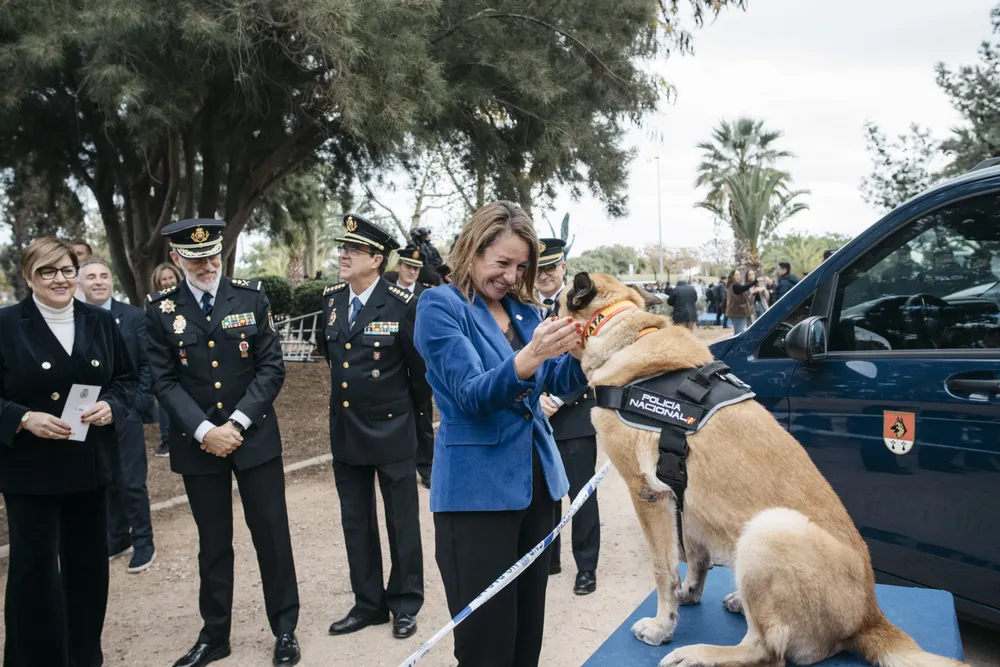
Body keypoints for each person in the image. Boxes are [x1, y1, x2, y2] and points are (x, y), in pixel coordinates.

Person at [414, 201, 587, 667]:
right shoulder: (440, 307)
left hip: (536, 490)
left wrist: (586, 347)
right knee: (485, 645)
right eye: (503, 263)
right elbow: (472, 394)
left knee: (525, 636)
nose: (512, 276)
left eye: (522, 267)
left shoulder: (525, 311)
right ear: (471, 251)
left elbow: (562, 382)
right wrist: (529, 358)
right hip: (475, 497)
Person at [145, 219, 301, 667]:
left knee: (271, 535)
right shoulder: (160, 311)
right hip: (199, 445)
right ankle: (216, 635)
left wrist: (235, 422)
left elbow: (271, 366)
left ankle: (285, 629)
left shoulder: (251, 298)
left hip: (252, 437)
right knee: (213, 543)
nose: (208, 264)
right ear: (177, 259)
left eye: (213, 255)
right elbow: (163, 380)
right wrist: (204, 431)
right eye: (196, 258)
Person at [0, 237, 136, 667]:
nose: (59, 279)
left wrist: (112, 406)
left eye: (66, 269)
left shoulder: (101, 322)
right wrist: (23, 418)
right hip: (30, 472)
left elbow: (129, 383)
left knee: (87, 572)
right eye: (47, 271)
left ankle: (83, 658)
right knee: (33, 573)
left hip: (88, 468)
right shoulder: (5, 325)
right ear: (28, 277)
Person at [322, 215, 431, 640]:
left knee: (401, 520)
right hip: (346, 430)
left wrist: (405, 417)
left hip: (392, 430)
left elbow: (420, 377)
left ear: (376, 259)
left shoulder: (403, 304)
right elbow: (334, 360)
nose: (343, 255)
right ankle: (368, 604)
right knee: (356, 520)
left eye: (352, 250)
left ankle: (405, 603)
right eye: (342, 248)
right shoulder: (333, 301)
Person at [79, 259, 157, 573]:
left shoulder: (134, 316)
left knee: (132, 480)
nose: (98, 282)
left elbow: (148, 364)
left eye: (103, 276)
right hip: (89, 411)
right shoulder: (76, 319)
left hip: (125, 408)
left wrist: (139, 402)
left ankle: (143, 542)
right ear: (81, 284)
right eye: (91, 277)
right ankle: (117, 537)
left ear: (111, 281)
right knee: (106, 477)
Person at [535, 237, 601, 595]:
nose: (544, 276)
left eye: (550, 268)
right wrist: (539, 399)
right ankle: (550, 558)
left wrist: (558, 397)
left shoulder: (581, 305)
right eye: (539, 269)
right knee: (545, 495)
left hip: (574, 415)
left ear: (563, 267)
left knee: (580, 495)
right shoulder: (523, 305)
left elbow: (591, 356)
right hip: (537, 415)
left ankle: (586, 567)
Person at [395, 245, 435, 488]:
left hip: (420, 366)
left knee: (423, 419)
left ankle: (427, 467)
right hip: (394, 365)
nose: (411, 272)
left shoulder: (427, 295)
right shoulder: (386, 293)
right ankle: (401, 465)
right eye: (408, 266)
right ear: (398, 265)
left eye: (416, 268)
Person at [150, 262, 184, 457]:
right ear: (158, 282)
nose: (168, 281)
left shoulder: (187, 300)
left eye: (171, 277)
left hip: (186, 358)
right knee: (164, 401)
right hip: (165, 359)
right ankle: (166, 441)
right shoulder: (154, 304)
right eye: (164, 279)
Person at [726, 268, 754, 335]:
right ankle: (736, 345)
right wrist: (754, 282)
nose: (738, 276)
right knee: (738, 333)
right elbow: (743, 288)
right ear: (732, 277)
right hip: (737, 313)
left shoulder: (733, 285)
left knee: (738, 332)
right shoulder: (735, 285)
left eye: (739, 274)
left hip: (738, 313)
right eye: (736, 275)